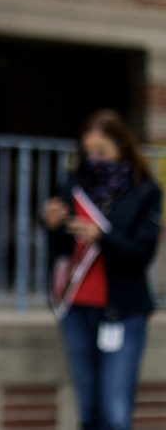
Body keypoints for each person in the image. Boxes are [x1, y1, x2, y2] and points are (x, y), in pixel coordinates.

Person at [41, 109, 161, 430]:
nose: (94, 159)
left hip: (122, 312)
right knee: (89, 413)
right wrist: (53, 226)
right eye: (88, 151)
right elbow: (62, 251)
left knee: (116, 414)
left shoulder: (144, 191)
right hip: (76, 310)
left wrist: (102, 237)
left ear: (122, 145)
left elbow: (141, 254)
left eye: (102, 151)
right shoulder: (73, 185)